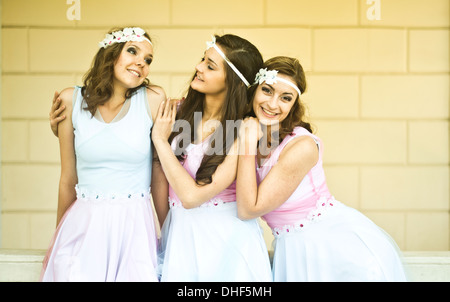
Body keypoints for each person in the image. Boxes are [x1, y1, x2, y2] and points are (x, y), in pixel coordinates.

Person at [236, 56, 408, 282]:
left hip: (335, 248)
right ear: (254, 90)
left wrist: (246, 143)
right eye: (267, 90)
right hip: (292, 249)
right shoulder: (252, 134)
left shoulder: (301, 146)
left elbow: (249, 209)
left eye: (285, 98)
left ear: (294, 105)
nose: (273, 104)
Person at [40, 27, 166, 282]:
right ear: (111, 53)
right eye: (133, 51)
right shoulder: (70, 100)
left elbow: (159, 174)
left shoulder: (153, 99)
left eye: (148, 60)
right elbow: (67, 179)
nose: (141, 62)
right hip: (83, 228)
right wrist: (57, 238)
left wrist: (168, 233)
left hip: (134, 231)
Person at [151, 34, 272, 281]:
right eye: (202, 60)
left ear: (234, 82)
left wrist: (160, 141)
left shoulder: (244, 130)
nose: (198, 67)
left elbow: (192, 197)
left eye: (210, 66)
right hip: (181, 237)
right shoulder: (178, 112)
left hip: (226, 243)